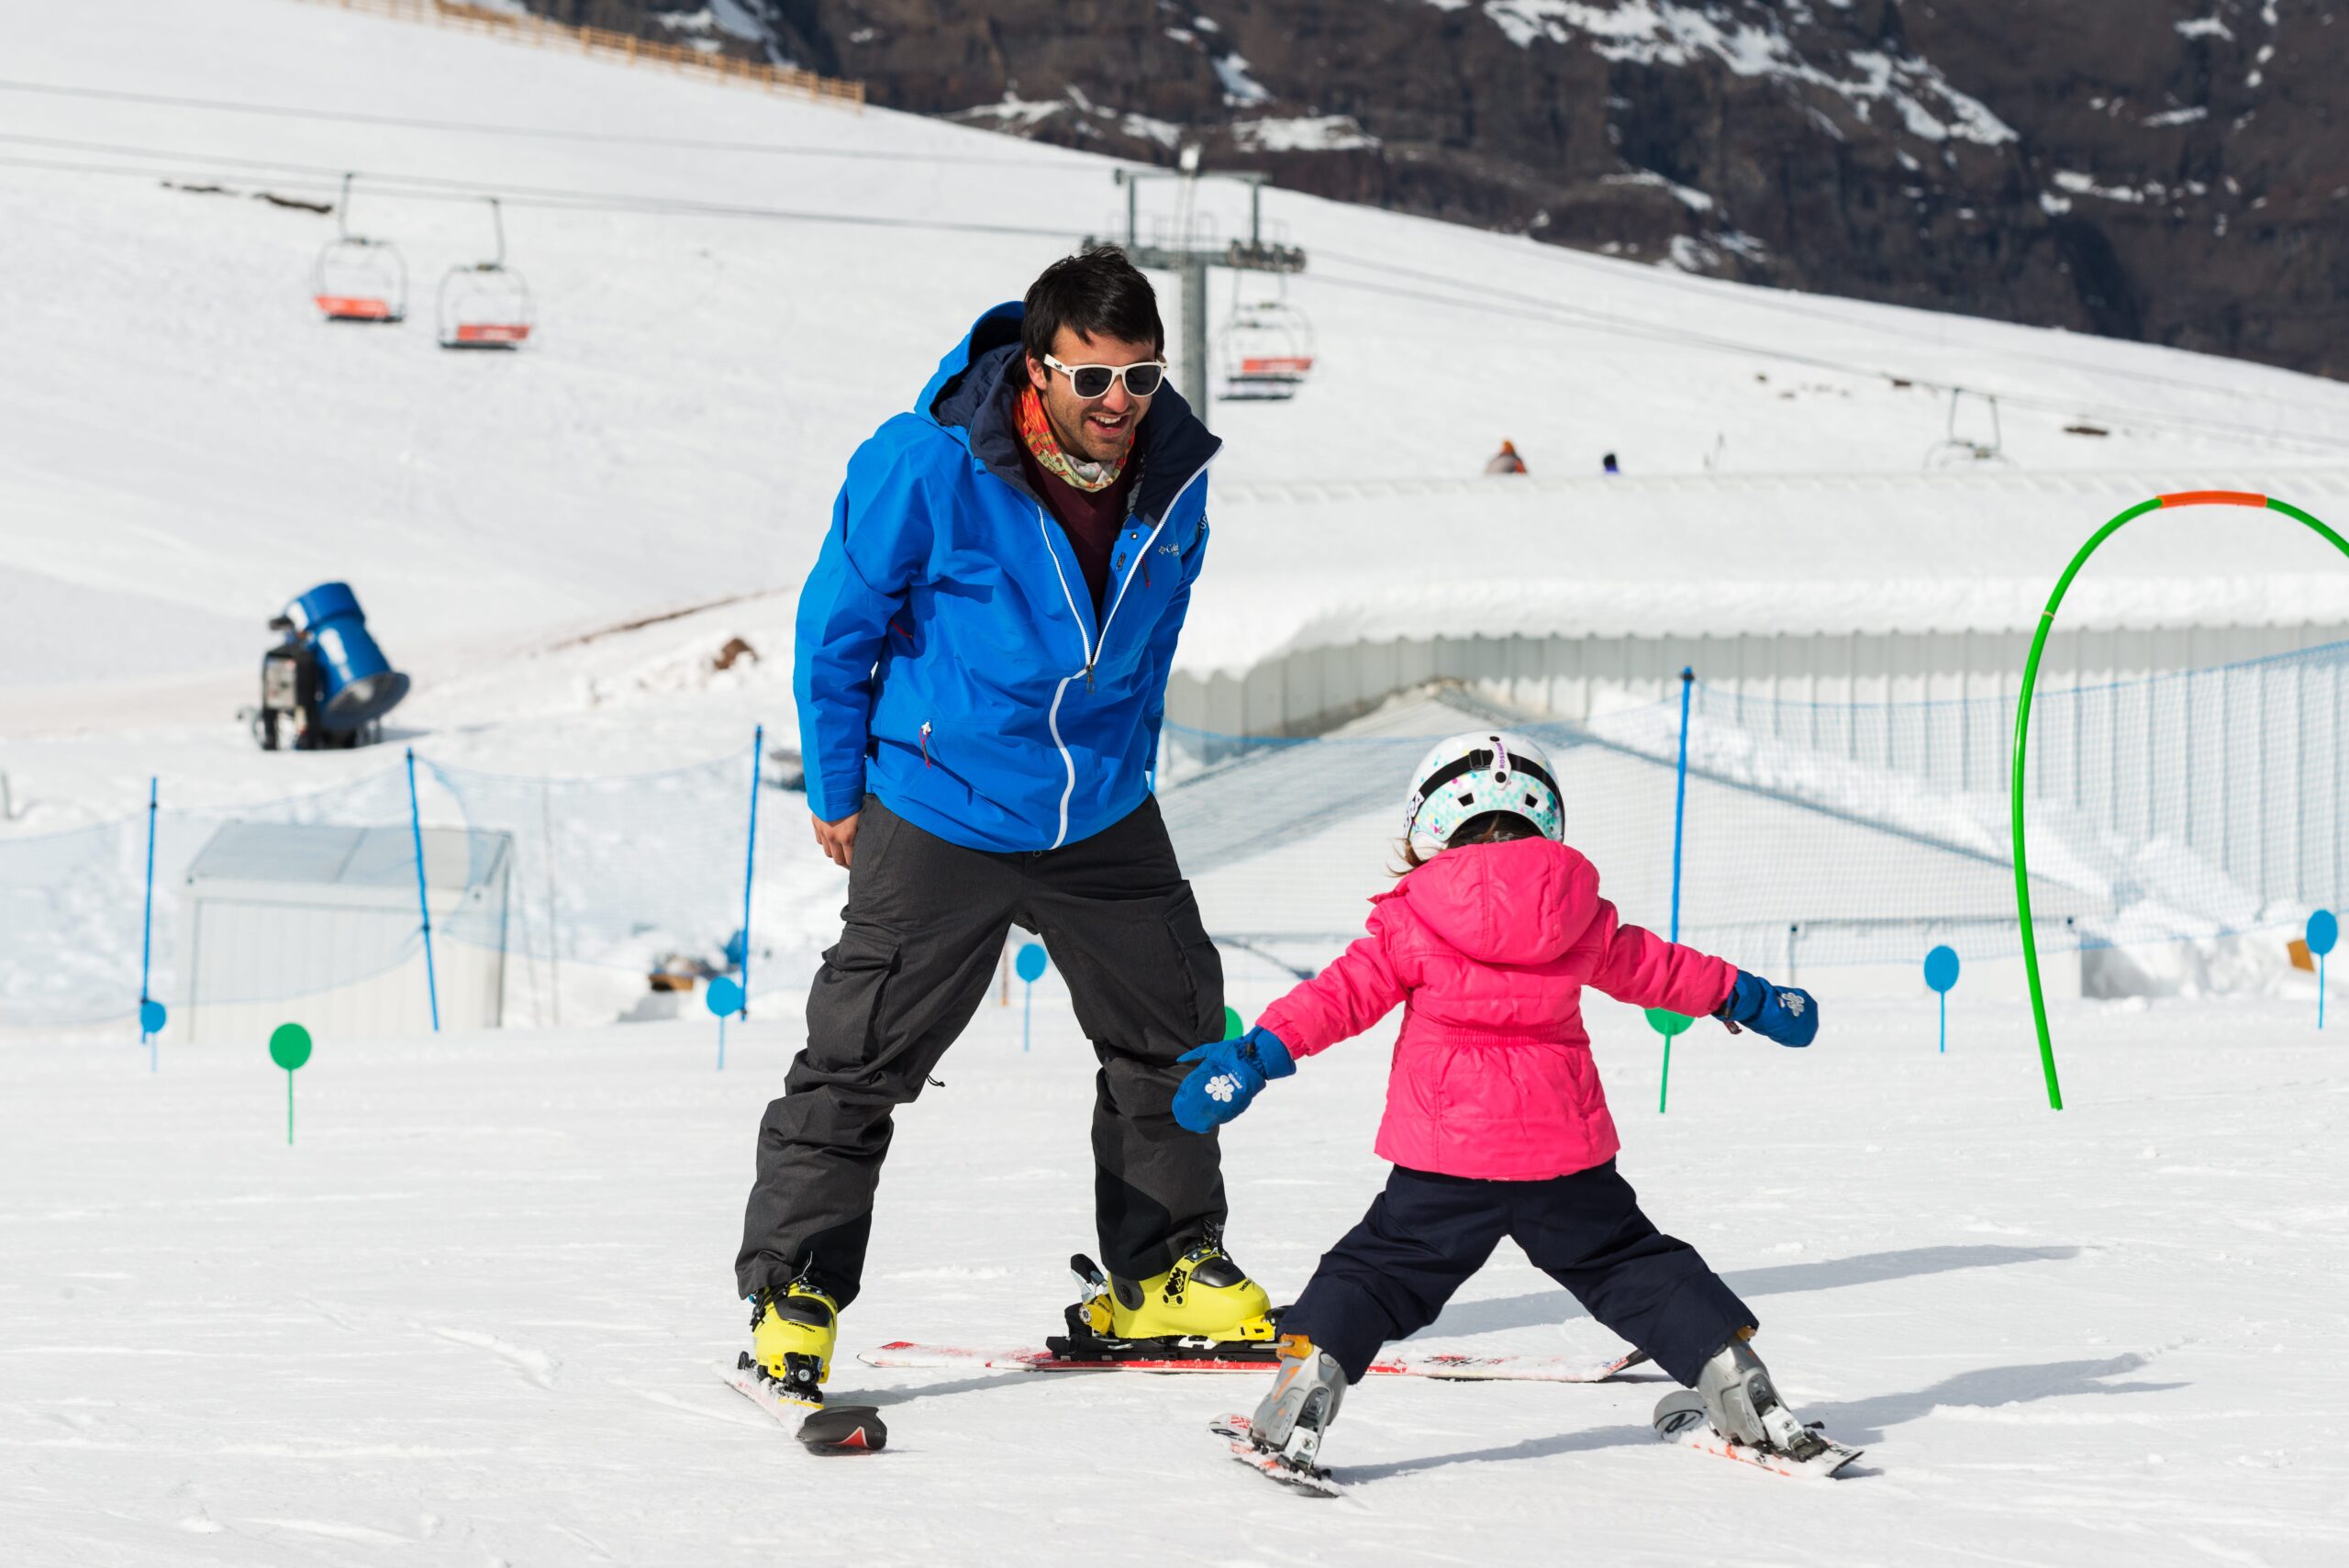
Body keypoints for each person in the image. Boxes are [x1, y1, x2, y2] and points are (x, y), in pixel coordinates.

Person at [736, 247, 1273, 1404]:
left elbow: (1153, 634)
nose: (1120, 403)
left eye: (1141, 376)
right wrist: (838, 788)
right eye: (1094, 378)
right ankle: (793, 1293)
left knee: (1176, 1026)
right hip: (941, 804)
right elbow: (837, 625)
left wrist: (1124, 760)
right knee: (862, 1051)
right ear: (1038, 368)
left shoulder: (1174, 468)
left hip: (1098, 811)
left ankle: (1164, 1268)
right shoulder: (926, 461)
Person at [1173, 730, 1823, 1476]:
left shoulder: (1410, 918)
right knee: (1629, 1262)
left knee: (1379, 1270)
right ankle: (1735, 1380)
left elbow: (1337, 999)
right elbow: (1662, 969)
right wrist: (1751, 995)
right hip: (1564, 1158)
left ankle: (1304, 1390)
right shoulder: (1581, 914)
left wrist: (1255, 1055)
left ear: (1426, 826)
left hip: (1445, 1159)